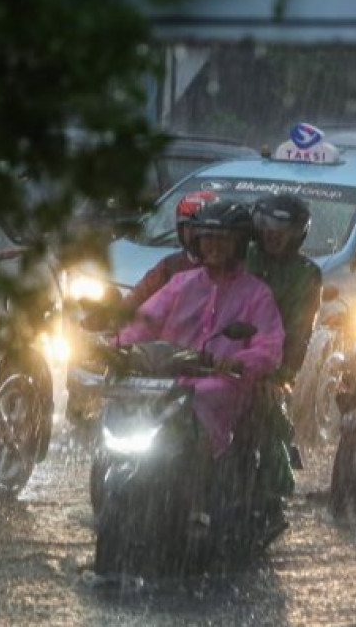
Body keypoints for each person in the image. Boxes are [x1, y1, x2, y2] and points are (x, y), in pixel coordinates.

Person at [119, 200, 285, 516]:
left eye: (222, 238)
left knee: (199, 399)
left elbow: (270, 346)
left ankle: (198, 500)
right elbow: (144, 322)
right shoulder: (181, 282)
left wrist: (238, 361)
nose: (214, 245)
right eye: (207, 238)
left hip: (222, 386)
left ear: (239, 243)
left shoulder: (257, 294)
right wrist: (117, 347)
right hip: (167, 382)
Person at [245, 193, 322, 492]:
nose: (272, 234)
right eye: (266, 224)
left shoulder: (306, 274)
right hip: (221, 358)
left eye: (283, 228)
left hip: (270, 368)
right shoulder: (241, 256)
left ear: (299, 233)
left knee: (267, 417)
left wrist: (279, 377)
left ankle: (276, 487)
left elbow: (299, 332)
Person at [124, 190, 219, 311]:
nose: (191, 232)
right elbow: (136, 300)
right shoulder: (169, 266)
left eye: (198, 227)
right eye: (186, 226)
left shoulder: (228, 268)